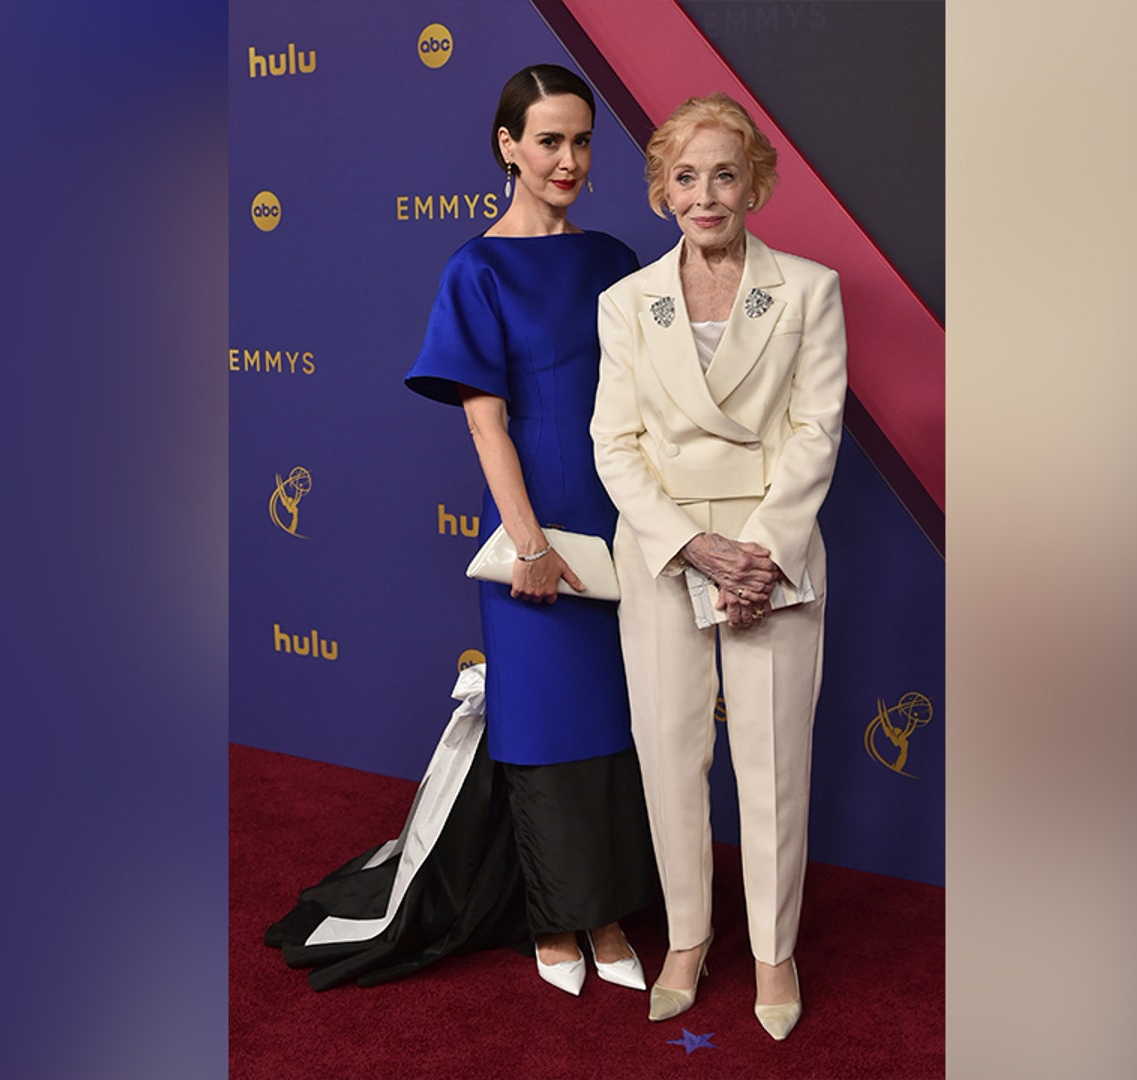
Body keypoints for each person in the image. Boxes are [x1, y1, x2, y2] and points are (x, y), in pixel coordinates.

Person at [266, 64, 655, 997]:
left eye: (581, 140)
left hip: (626, 517)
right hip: (534, 525)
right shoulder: (475, 268)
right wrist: (528, 543)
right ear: (507, 147)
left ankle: (609, 912)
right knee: (545, 723)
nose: (567, 159)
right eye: (547, 140)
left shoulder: (614, 259)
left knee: (621, 722)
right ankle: (556, 919)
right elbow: (485, 422)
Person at [590, 93, 847, 1041]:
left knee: (774, 763)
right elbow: (613, 443)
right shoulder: (625, 303)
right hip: (666, 551)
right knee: (669, 753)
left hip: (772, 552)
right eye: (686, 177)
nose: (706, 194)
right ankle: (689, 939)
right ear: (662, 190)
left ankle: (774, 951)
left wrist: (759, 555)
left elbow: (817, 430)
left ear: (756, 184)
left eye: (724, 174)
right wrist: (693, 547)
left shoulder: (810, 289)